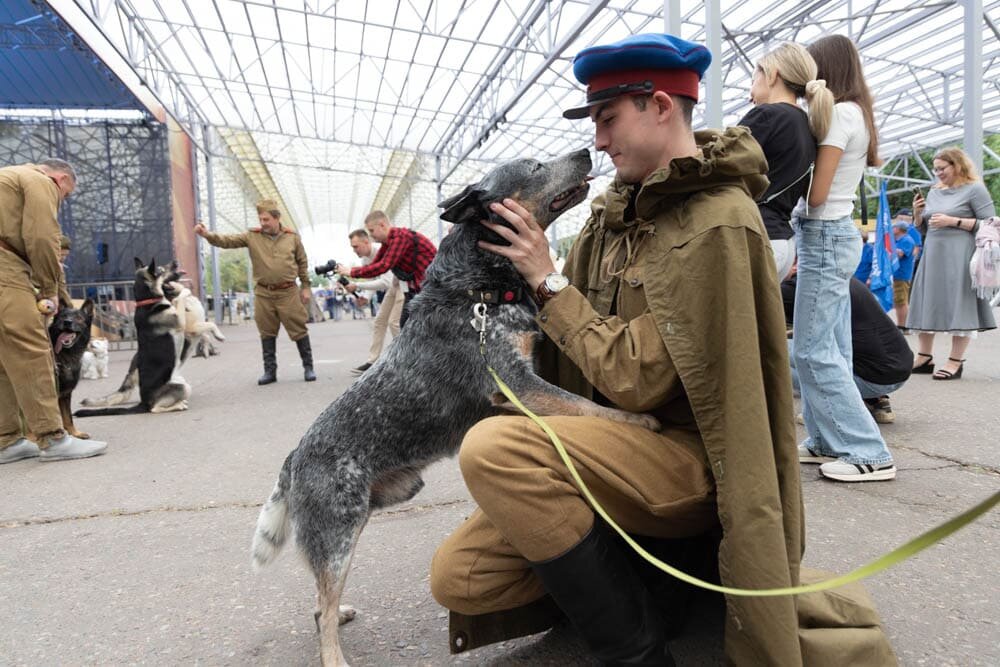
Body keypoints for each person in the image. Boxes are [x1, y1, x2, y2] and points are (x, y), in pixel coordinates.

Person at [430, 33, 893, 666]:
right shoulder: (609, 219)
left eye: (607, 118)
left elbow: (639, 379)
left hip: (688, 462)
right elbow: (567, 348)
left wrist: (546, 278)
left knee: (496, 451)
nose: (597, 139)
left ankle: (641, 650)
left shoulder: (718, 219)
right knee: (462, 579)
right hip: (620, 453)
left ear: (660, 106)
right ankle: (650, 583)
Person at [791, 34, 896, 482]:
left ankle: (868, 452)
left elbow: (816, 193)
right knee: (832, 347)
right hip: (834, 235)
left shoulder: (838, 117)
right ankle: (825, 438)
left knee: (812, 350)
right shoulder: (856, 113)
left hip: (823, 236)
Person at [0, 158, 107, 464]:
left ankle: (7, 440)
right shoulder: (40, 181)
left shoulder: (8, 177)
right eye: (67, 195)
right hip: (5, 270)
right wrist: (50, 290)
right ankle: (53, 437)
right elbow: (42, 237)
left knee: (3, 359)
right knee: (34, 351)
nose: (63, 200)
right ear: (61, 179)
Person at [194, 199, 317, 384]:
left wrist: (306, 286)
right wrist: (206, 234)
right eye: (261, 219)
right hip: (264, 293)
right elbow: (227, 241)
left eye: (266, 219)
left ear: (277, 218)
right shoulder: (252, 236)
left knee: (298, 328)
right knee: (266, 332)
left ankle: (308, 367)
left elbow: (302, 262)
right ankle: (270, 371)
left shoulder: (292, 237)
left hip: (288, 292)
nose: (263, 223)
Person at [738, 42, 828, 280]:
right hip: (783, 245)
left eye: (753, 81)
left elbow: (717, 169)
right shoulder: (809, 126)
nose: (750, 94)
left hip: (756, 238)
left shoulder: (767, 116)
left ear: (772, 75)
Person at [905, 147, 997, 379]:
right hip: (932, 254)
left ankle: (955, 361)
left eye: (942, 168)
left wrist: (953, 221)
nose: (937, 173)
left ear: (957, 165)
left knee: (960, 304)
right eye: (935, 169)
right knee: (928, 301)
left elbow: (992, 224)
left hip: (960, 255)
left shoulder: (975, 189)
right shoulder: (934, 191)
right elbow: (925, 228)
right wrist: (918, 215)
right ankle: (924, 357)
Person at [783, 275, 913, 423]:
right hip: (897, 371)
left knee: (769, 350)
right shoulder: (842, 277)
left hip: (871, 377)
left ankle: (827, 407)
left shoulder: (796, 289)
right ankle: (872, 398)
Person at [334, 211, 436, 327]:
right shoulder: (388, 242)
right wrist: (351, 272)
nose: (371, 235)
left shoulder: (400, 237)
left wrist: (351, 272)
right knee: (406, 324)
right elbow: (376, 264)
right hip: (417, 287)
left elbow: (384, 266)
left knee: (417, 326)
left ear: (382, 225)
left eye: (372, 230)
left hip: (433, 287)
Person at [341, 228, 404, 375]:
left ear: (366, 242)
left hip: (402, 285)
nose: (354, 250)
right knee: (379, 321)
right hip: (394, 286)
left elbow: (385, 282)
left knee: (394, 322)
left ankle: (404, 360)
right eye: (352, 247)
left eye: (356, 246)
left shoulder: (381, 251)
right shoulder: (365, 259)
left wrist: (357, 285)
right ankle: (372, 361)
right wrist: (366, 297)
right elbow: (372, 280)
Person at [891, 220, 917, 326]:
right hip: (898, 274)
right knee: (899, 301)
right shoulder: (899, 240)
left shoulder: (906, 240)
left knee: (901, 302)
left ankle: (902, 326)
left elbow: (900, 254)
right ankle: (902, 325)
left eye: (893, 227)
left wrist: (888, 249)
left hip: (902, 275)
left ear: (898, 229)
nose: (892, 229)